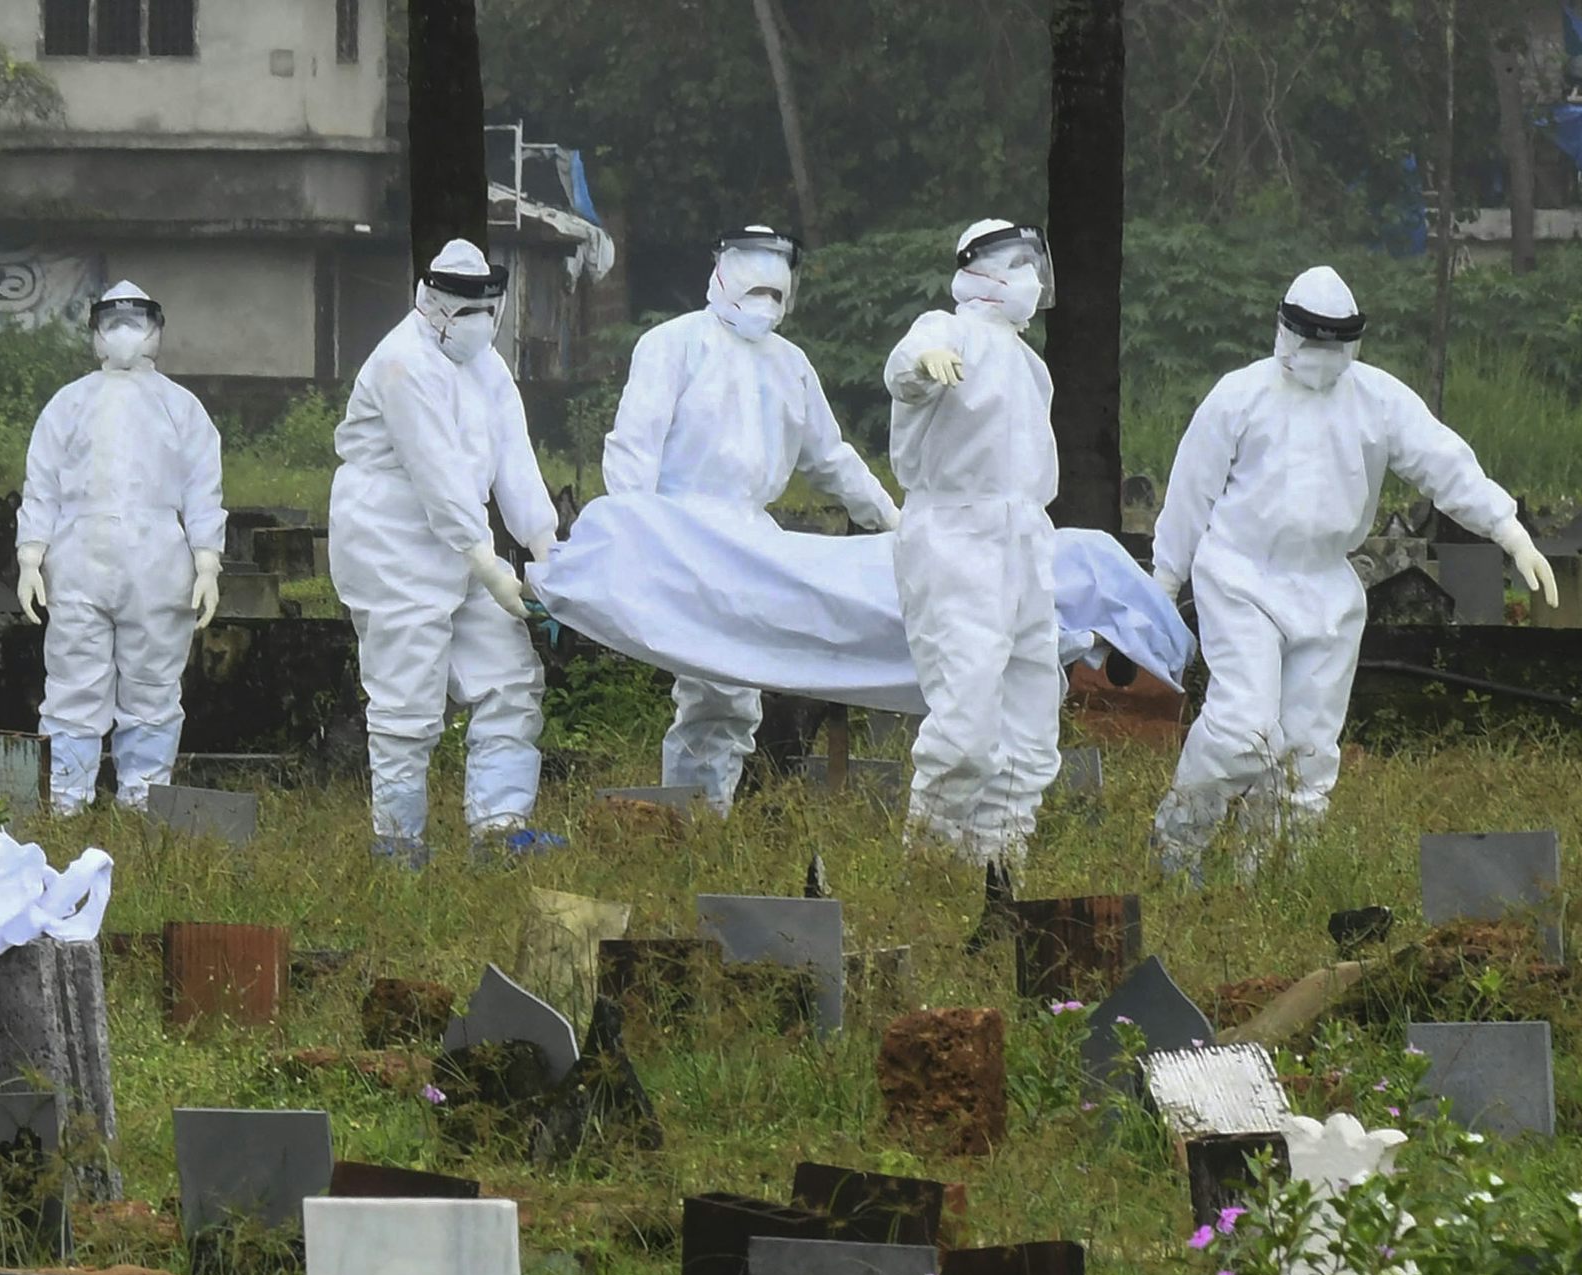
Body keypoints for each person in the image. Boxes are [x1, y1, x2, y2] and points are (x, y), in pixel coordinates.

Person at [1150, 265, 1558, 880]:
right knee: (1241, 727)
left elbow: (1442, 461)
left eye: (1333, 341)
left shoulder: (1377, 399)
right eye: (1311, 339)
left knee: (1308, 753)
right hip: (1241, 577)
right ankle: (1174, 856)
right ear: (1285, 331)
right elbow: (1189, 494)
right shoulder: (1239, 396)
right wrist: (1163, 581)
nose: (1320, 354)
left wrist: (1509, 529)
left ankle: (1268, 885)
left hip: (1329, 588)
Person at [602, 224, 900, 813]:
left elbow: (831, 457)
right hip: (683, 533)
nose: (763, 303)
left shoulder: (790, 364)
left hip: (753, 541)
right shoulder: (674, 344)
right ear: (721, 270)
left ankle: (700, 819)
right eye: (754, 284)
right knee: (716, 689)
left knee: (737, 694)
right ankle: (691, 820)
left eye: (774, 291)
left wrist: (896, 522)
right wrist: (635, 535)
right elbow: (633, 446)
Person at [328, 239, 562, 867]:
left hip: (464, 546)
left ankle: (500, 829)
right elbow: (437, 475)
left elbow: (514, 460)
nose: (477, 321)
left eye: (487, 307)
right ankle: (399, 844)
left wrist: (546, 550)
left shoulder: (487, 366)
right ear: (430, 302)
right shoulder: (402, 363)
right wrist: (488, 564)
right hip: (392, 543)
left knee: (511, 679)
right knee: (407, 700)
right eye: (464, 309)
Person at [882, 219, 1062, 865]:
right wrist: (922, 366)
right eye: (1017, 263)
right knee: (965, 726)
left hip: (1025, 543)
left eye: (1032, 263)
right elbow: (905, 369)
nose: (1030, 277)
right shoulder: (946, 329)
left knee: (1032, 725)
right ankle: (928, 867)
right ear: (978, 268)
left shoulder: (1030, 364)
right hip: (956, 537)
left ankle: (997, 868)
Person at [16, 281, 224, 815]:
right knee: (73, 684)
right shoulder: (69, 404)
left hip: (156, 563)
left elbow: (204, 489)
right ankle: (66, 801)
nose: (125, 333)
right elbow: (41, 484)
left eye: (136, 321)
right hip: (81, 559)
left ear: (155, 329)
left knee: (153, 686)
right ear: (95, 333)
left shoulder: (182, 408)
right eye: (113, 322)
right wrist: (29, 555)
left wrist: (208, 560)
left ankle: (143, 803)